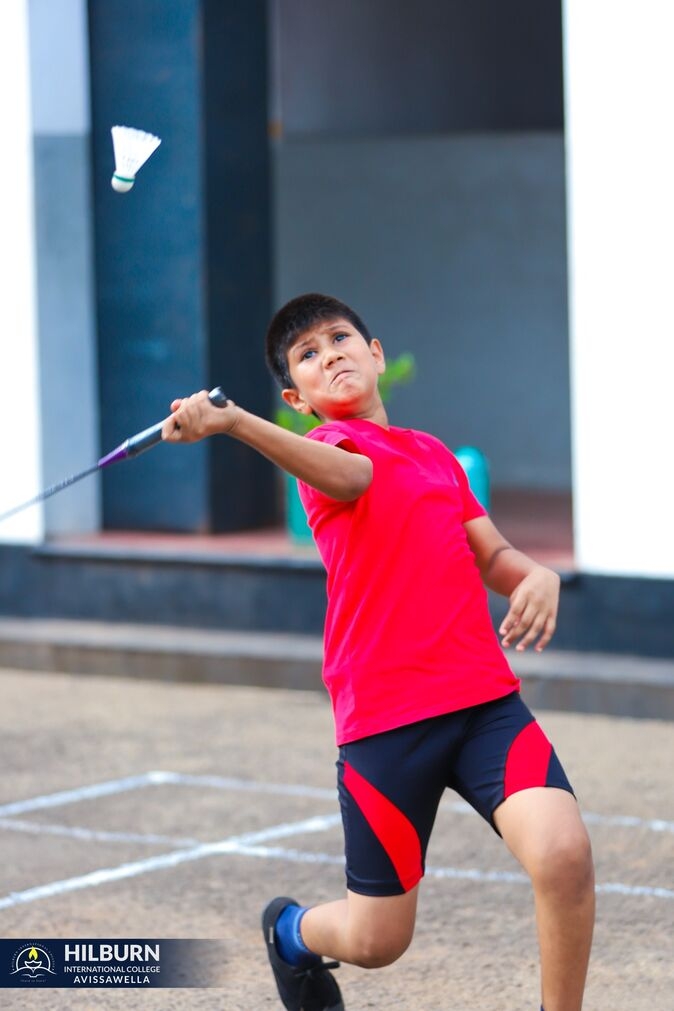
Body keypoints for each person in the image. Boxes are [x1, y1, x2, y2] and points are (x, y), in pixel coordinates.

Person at [162, 293, 595, 1011]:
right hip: (387, 722)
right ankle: (293, 932)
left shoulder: (435, 456)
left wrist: (538, 574)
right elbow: (355, 479)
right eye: (308, 353)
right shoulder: (328, 452)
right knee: (377, 939)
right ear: (297, 398)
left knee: (564, 854)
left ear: (377, 354)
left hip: (485, 704)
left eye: (340, 337)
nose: (329, 351)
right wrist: (234, 421)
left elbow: (494, 556)